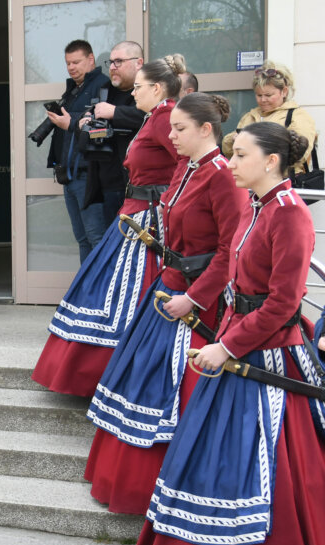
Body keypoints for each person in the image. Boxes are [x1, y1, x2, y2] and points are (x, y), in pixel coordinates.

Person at [127, 123, 325, 545]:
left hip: (270, 360)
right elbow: (237, 284)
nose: (231, 163)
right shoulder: (255, 207)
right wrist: (220, 336)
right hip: (237, 347)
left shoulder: (291, 215)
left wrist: (227, 346)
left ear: (273, 162)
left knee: (280, 474)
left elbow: (283, 303)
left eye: (241, 155)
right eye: (232, 154)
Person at [84, 94, 247, 514]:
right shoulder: (186, 169)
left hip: (198, 304)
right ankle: (125, 482)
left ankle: (167, 490)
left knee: (177, 395)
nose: (170, 135)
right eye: (170, 127)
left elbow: (230, 252)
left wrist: (194, 297)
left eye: (179, 128)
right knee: (140, 382)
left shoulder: (223, 176)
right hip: (168, 288)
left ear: (206, 130)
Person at [32, 55, 187, 397]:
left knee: (121, 296)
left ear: (157, 88)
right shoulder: (155, 117)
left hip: (147, 219)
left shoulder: (165, 118)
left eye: (140, 87)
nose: (133, 94)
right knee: (106, 291)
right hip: (134, 213)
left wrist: (167, 207)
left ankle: (111, 373)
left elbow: (186, 166)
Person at [46, 40, 112, 262]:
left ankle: (100, 294)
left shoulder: (103, 86)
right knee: (83, 239)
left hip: (89, 175)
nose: (71, 67)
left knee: (97, 238)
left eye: (76, 62)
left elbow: (99, 125)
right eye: (68, 63)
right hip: (70, 175)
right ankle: (86, 293)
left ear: (90, 59)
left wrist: (69, 120)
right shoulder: (74, 90)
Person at [78, 41, 146, 229]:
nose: (113, 68)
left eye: (119, 62)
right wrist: (83, 124)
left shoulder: (149, 90)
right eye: (111, 63)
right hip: (106, 183)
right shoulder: (104, 91)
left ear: (138, 63)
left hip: (137, 186)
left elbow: (151, 117)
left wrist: (114, 112)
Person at [222, 61, 318, 174]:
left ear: (284, 92)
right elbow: (227, 150)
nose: (263, 100)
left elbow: (299, 154)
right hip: (251, 180)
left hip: (283, 180)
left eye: (268, 95)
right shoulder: (250, 116)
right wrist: (233, 139)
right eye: (259, 95)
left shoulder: (297, 116)